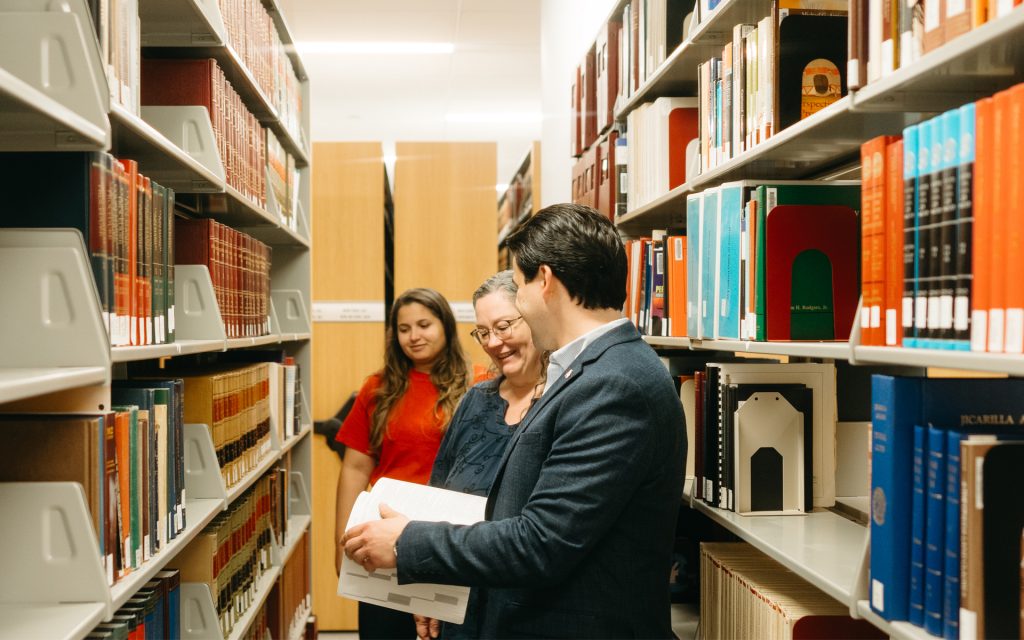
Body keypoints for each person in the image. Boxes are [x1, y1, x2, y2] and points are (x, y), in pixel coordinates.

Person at [342, 203, 687, 639]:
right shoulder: (593, 370)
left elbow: (541, 542)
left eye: (519, 287)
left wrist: (406, 543)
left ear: (544, 281)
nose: (519, 302)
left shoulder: (613, 384)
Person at [333, 287, 482, 640]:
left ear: (445, 326)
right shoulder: (378, 389)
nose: (414, 336)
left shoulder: (480, 384)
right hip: (382, 535)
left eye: (424, 324)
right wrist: (342, 542)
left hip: (448, 536)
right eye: (403, 328)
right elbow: (355, 469)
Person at [424, 270, 546, 639]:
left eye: (504, 326)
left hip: (528, 611)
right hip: (459, 602)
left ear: (535, 318)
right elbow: (437, 498)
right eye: (483, 332)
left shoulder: (563, 403)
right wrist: (427, 596)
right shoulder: (476, 401)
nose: (493, 342)